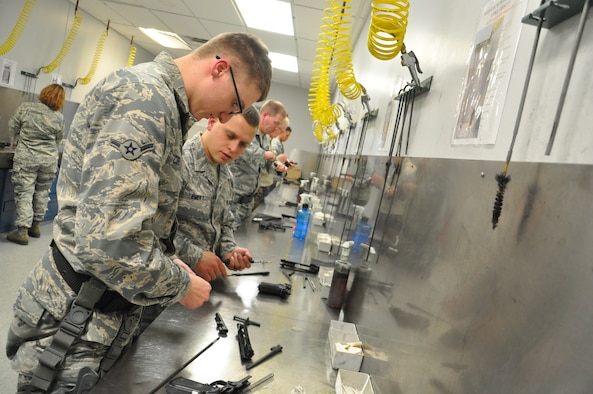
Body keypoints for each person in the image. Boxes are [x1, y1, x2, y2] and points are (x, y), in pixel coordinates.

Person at [6, 31, 272, 393]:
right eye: (234, 105)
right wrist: (181, 285)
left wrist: (168, 256)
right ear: (219, 69)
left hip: (102, 312)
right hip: (77, 316)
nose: (227, 115)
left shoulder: (166, 107)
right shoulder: (146, 100)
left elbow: (139, 217)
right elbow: (108, 242)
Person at [174, 107, 260, 282]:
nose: (233, 148)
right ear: (212, 122)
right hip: (173, 281)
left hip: (204, 283)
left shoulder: (226, 175)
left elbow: (224, 222)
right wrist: (195, 256)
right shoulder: (179, 162)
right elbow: (154, 228)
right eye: (230, 135)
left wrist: (228, 249)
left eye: (243, 144)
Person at [6, 84, 65, 245]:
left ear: (43, 93)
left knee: (24, 192)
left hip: (27, 158)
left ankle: (22, 232)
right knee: (42, 192)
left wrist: (22, 137)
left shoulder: (26, 108)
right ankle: (36, 226)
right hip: (48, 161)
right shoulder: (58, 117)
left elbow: (12, 126)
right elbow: (59, 139)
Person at [228, 99, 288, 226]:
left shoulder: (264, 138)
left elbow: (267, 164)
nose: (276, 128)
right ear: (265, 115)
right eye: (276, 123)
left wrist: (277, 167)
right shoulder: (247, 130)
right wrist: (264, 154)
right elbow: (241, 149)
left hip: (247, 203)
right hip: (232, 202)